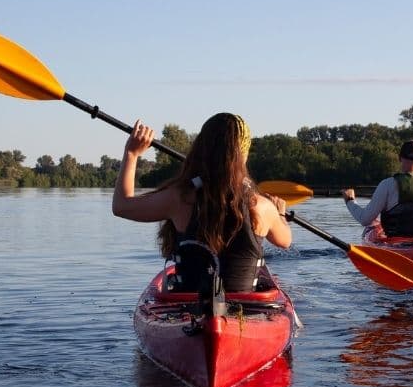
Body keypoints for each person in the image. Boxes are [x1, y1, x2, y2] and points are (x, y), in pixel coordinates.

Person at [112, 113, 291, 293]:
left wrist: (132, 153)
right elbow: (285, 241)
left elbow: (121, 206)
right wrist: (280, 214)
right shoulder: (261, 206)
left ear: (201, 149)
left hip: (187, 308)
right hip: (247, 311)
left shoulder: (179, 198)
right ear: (244, 154)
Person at [341, 139, 413, 238]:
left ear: (400, 158)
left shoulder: (387, 185)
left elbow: (365, 219)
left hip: (395, 245)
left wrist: (350, 201)